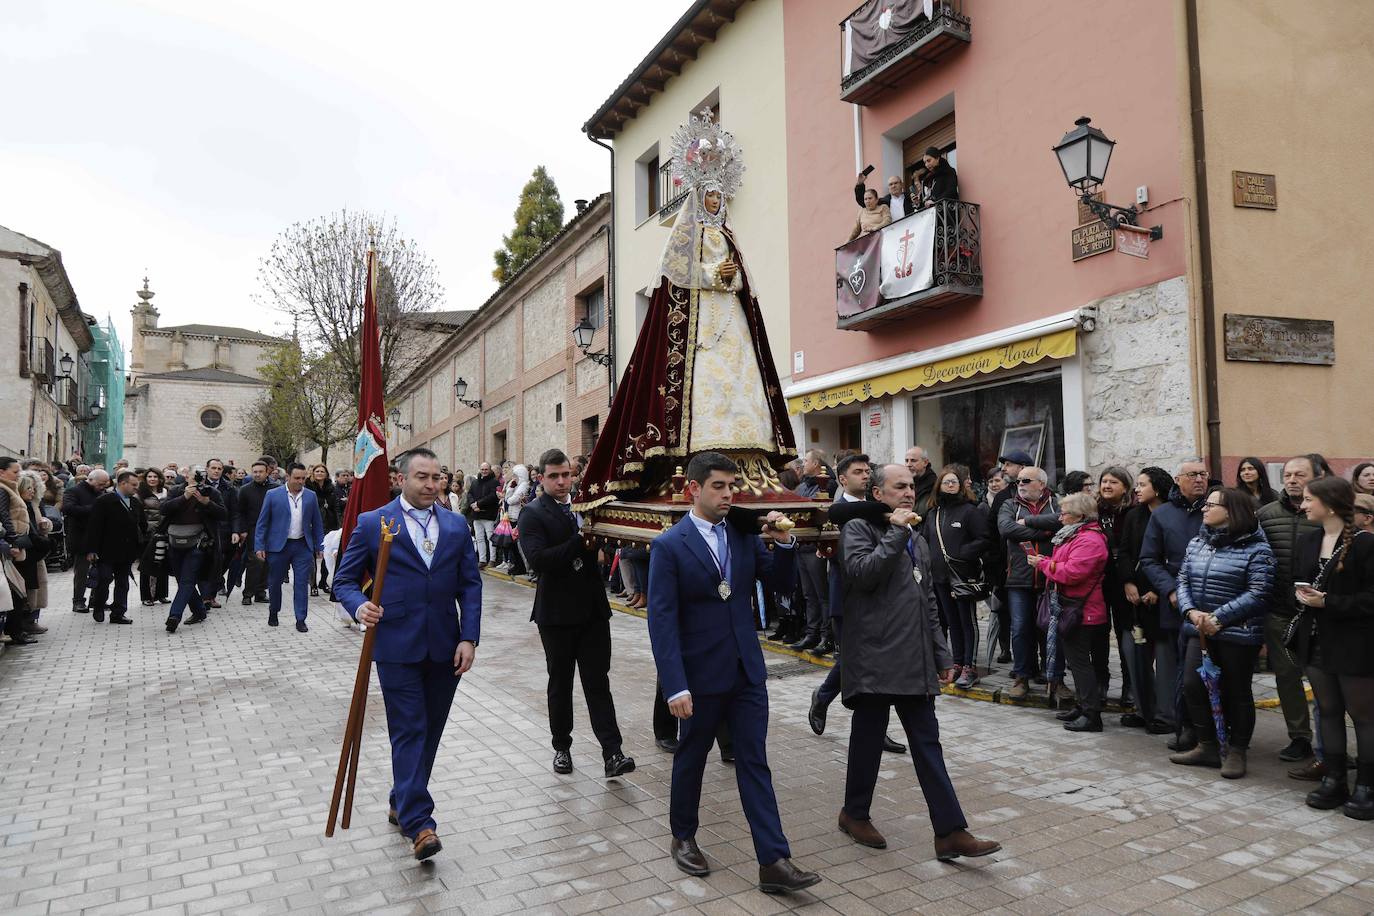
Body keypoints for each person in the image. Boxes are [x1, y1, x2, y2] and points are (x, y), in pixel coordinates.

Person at [574, 110, 796, 520]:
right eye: (710, 195)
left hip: (729, 317)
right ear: (698, 197)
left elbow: (744, 281)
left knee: (741, 376)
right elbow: (677, 279)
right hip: (699, 326)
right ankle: (690, 459)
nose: (716, 201)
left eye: (719, 196)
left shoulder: (728, 234)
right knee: (704, 382)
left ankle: (752, 461)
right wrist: (714, 273)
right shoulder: (686, 236)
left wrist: (733, 278)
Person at [647, 452, 818, 894]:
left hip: (746, 671)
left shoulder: (741, 535)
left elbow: (777, 583)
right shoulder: (670, 546)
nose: (728, 495)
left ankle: (774, 861)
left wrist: (782, 544)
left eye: (731, 487)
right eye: (718, 487)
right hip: (699, 676)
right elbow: (661, 622)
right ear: (694, 490)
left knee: (754, 761)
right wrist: (675, 684)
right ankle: (683, 835)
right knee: (692, 757)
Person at [833, 462, 1001, 862]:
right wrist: (895, 530)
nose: (909, 493)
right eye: (899, 487)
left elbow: (927, 601)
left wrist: (943, 654)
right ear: (878, 494)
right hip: (874, 656)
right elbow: (863, 574)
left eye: (911, 487)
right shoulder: (860, 529)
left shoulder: (918, 537)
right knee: (868, 741)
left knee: (928, 745)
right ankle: (854, 813)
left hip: (915, 659)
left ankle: (950, 831)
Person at [335, 448, 483, 861]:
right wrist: (358, 606)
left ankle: (402, 798)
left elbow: (470, 585)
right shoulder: (373, 523)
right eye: (422, 477)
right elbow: (343, 581)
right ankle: (420, 823)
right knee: (409, 729)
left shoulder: (456, 525)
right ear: (402, 479)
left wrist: (469, 636)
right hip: (396, 645)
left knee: (430, 732)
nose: (431, 484)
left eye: (437, 477)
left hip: (445, 646)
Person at [519, 448, 635, 778]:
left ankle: (613, 752)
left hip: (593, 610)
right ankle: (561, 747)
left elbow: (607, 543)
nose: (561, 481)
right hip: (555, 614)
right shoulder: (533, 513)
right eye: (554, 476)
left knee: (598, 683)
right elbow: (538, 559)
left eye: (566, 475)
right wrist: (581, 539)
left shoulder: (586, 506)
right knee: (560, 683)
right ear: (541, 478)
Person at [1165, 487, 1275, 778]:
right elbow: (1183, 580)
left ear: (1231, 511)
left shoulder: (1257, 548)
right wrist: (1190, 612)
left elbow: (1260, 592)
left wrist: (1218, 617)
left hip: (1238, 633)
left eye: (1211, 504)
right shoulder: (1197, 542)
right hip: (1198, 628)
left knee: (1237, 691)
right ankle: (1208, 745)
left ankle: (1237, 751)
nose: (1204, 508)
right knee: (1192, 685)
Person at [808, 454, 906, 754]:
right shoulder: (838, 509)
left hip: (882, 595)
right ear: (843, 479)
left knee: (877, 661)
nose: (865, 475)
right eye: (858, 471)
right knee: (854, 657)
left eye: (868, 471)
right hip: (848, 595)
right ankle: (824, 698)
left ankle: (874, 726)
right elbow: (837, 516)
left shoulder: (886, 509)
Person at [1295, 476, 1374, 817]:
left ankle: (1367, 785)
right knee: (1327, 711)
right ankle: (1335, 779)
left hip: (1356, 643)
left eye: (1309, 499)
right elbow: (1294, 584)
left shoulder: (1366, 544)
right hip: (1315, 640)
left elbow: (1371, 600)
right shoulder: (1309, 540)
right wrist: (1302, 596)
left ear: (1328, 503)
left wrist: (1329, 603)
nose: (1303, 505)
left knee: (1363, 716)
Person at [1140, 459, 1209, 750]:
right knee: (1183, 670)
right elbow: (1149, 559)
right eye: (1192, 475)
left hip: (1214, 600)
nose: (1199, 480)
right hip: (1176, 602)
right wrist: (1168, 589)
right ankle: (1186, 728)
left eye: (1203, 474)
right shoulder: (1163, 515)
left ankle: (1217, 728)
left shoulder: (1218, 509)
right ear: (1178, 480)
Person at [1026, 492, 1110, 730]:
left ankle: (1092, 715)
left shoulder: (1090, 540)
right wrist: (1047, 561)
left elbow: (1072, 573)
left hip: (1083, 610)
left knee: (1080, 663)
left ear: (1080, 516)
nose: (1060, 517)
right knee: (1076, 660)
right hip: (1071, 606)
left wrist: (1043, 564)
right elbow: (1064, 564)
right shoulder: (1074, 535)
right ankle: (1083, 706)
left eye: (1064, 513)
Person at [1257, 456, 1321, 763]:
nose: (1293, 479)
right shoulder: (1266, 514)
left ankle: (1329, 741)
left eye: (1300, 474)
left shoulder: (1327, 513)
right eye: (1288, 474)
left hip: (1320, 614)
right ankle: (1300, 738)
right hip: (1280, 610)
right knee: (1286, 677)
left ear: (1316, 477)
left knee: (1324, 679)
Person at [1117, 467, 1175, 734]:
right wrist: (1128, 582)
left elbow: (1173, 557)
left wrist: (1158, 590)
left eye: (1142, 484)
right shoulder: (1133, 516)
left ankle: (1166, 715)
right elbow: (1126, 551)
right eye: (1136, 485)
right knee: (1135, 654)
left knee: (1165, 661)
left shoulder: (1173, 515)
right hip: (1135, 600)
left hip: (1163, 600)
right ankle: (1143, 710)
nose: (1137, 489)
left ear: (1158, 488)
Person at [923, 464, 990, 689]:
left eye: (954, 482)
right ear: (939, 486)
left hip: (962, 577)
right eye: (946, 482)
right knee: (951, 622)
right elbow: (925, 541)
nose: (950, 485)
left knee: (966, 622)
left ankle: (970, 667)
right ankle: (958, 663)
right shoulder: (934, 513)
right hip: (939, 578)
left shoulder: (970, 510)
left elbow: (983, 539)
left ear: (960, 486)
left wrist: (963, 554)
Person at [998, 466, 1058, 699]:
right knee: (1021, 627)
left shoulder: (1056, 502)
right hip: (1019, 578)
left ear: (1041, 484)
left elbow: (1061, 521)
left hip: (1050, 575)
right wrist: (1044, 532)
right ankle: (1022, 676)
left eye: (1026, 480)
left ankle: (1050, 673)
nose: (1020, 483)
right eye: (1019, 480)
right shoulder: (1010, 505)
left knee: (1047, 627)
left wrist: (1030, 521)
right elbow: (1006, 528)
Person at [254, 463, 325, 632]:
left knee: (301, 583)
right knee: (275, 582)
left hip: (302, 545)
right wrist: (259, 546)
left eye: (303, 478)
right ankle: (273, 611)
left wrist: (319, 545)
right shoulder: (273, 495)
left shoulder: (311, 496)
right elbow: (262, 523)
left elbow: (317, 523)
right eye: (297, 478)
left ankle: (301, 618)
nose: (301, 481)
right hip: (278, 546)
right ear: (288, 477)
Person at [160, 473, 226, 632]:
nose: (198, 481)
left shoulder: (211, 492)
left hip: (198, 543)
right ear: (187, 476)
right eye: (195, 476)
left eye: (201, 477)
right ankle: (199, 611)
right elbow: (163, 509)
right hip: (175, 541)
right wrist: (184, 497)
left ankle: (174, 616)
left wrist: (207, 502)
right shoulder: (176, 490)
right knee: (182, 579)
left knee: (187, 581)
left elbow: (223, 514)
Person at [83, 470, 145, 625]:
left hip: (127, 550)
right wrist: (91, 549)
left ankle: (118, 612)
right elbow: (94, 526)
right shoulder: (105, 501)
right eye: (133, 485)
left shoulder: (136, 503)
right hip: (106, 550)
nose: (136, 488)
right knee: (104, 579)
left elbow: (141, 524)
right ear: (122, 483)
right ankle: (98, 605)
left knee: (123, 582)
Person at [792, 449, 836, 653]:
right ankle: (812, 632)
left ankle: (827, 636)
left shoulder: (826, 483)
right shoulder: (802, 485)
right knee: (809, 594)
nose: (803, 464)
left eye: (807, 460)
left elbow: (817, 511)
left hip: (816, 545)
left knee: (822, 594)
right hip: (801, 544)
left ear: (817, 463)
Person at [61, 467, 107, 613]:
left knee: (102, 571)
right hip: (81, 537)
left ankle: (97, 600)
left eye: (104, 485)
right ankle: (78, 601)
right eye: (100, 484)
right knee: (82, 572)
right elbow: (68, 508)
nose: (102, 487)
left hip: (100, 537)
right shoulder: (74, 491)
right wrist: (94, 509)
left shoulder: (102, 493)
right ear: (90, 479)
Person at [234, 461, 274, 605]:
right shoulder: (245, 490)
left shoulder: (276, 488)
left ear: (267, 472)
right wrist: (242, 530)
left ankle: (261, 592)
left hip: (272, 531)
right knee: (255, 562)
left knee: (267, 562)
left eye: (260, 472)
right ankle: (248, 593)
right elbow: (239, 512)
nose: (257, 474)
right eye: (254, 472)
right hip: (253, 530)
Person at [200, 458, 237, 607]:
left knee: (220, 565)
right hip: (204, 531)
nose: (216, 471)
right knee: (206, 564)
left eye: (219, 469)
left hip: (224, 532)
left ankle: (210, 594)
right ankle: (206, 597)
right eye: (213, 468)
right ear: (207, 469)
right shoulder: (200, 486)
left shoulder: (229, 488)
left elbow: (235, 512)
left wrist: (236, 531)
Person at [305, 464, 342, 596]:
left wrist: (339, 526)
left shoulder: (331, 489)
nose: (320, 473)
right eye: (317, 471)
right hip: (312, 525)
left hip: (329, 525)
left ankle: (323, 581)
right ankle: (313, 584)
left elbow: (336, 507)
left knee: (327, 554)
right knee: (312, 556)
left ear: (326, 474)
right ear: (313, 473)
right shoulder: (307, 488)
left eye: (322, 471)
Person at [136, 469, 170, 606]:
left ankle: (161, 594)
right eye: (149, 476)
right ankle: (147, 596)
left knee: (163, 563)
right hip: (148, 534)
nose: (152, 479)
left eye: (155, 476)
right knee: (147, 565)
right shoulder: (140, 493)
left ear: (160, 478)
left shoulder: (166, 492)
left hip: (164, 532)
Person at [464, 462, 500, 568]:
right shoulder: (475, 482)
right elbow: (469, 494)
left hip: (489, 514)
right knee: (479, 538)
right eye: (482, 469)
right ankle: (482, 560)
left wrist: (478, 503)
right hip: (476, 514)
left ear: (490, 470)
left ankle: (492, 560)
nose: (484, 471)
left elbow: (493, 496)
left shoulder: (494, 482)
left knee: (490, 538)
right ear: (480, 470)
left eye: (486, 469)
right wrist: (473, 504)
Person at [904, 446, 938, 517]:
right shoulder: (902, 483)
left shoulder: (935, 485)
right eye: (906, 461)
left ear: (925, 462)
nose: (908, 465)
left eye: (913, 461)